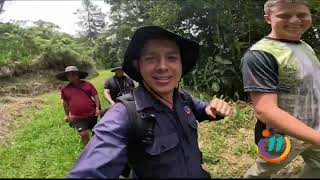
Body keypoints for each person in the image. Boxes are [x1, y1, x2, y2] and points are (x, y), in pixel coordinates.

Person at [66, 26, 232, 178]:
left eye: (172, 58)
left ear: (181, 64)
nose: (162, 66)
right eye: (151, 58)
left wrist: (215, 109)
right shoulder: (123, 115)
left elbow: (205, 110)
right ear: (138, 66)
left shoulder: (183, 97)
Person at [241, 0, 320, 178]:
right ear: (268, 18)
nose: (294, 20)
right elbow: (265, 111)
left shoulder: (305, 47)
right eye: (284, 15)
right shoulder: (260, 54)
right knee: (261, 173)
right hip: (280, 137)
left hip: (316, 129)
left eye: (301, 15)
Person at [56, 65, 101, 145]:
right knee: (83, 134)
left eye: (73, 74)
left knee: (95, 131)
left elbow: (95, 96)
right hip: (77, 117)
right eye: (68, 75)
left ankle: (97, 145)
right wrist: (66, 115)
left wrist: (98, 108)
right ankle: (88, 150)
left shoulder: (87, 85)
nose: (70, 76)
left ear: (77, 75)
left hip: (92, 113)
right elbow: (65, 103)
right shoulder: (65, 90)